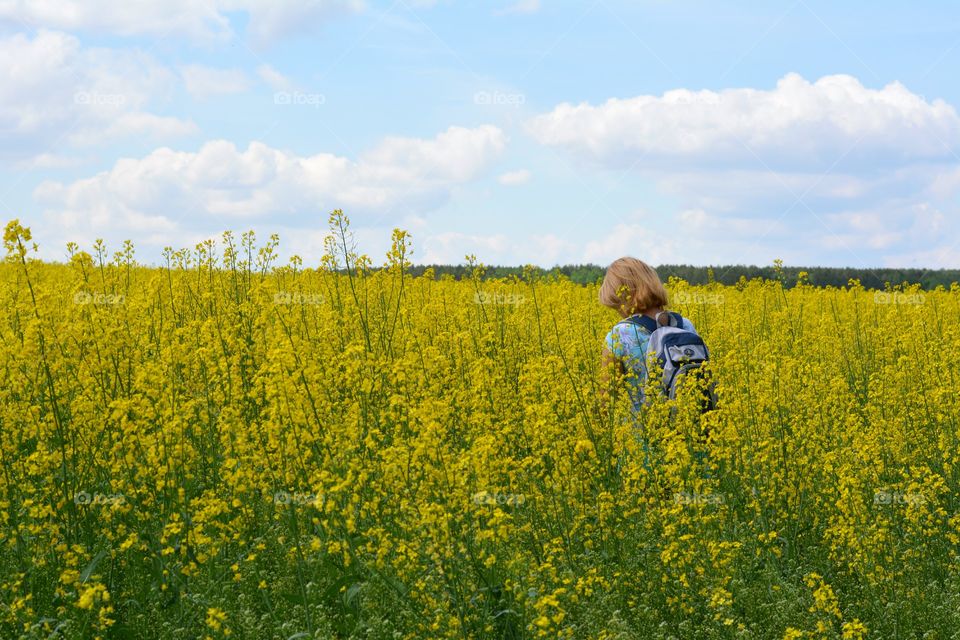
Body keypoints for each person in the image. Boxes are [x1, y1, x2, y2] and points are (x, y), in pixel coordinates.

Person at [598, 256, 709, 475]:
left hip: (643, 453)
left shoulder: (619, 335)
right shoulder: (685, 326)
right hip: (689, 445)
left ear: (622, 295)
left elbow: (606, 402)